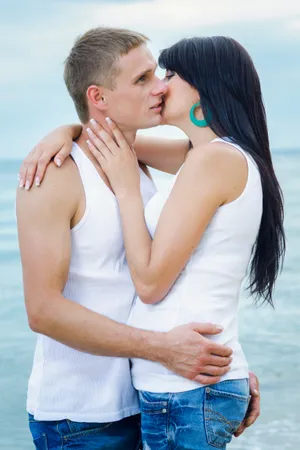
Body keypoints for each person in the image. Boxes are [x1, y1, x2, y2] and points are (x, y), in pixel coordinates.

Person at [17, 28, 262, 449]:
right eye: (143, 79)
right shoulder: (53, 175)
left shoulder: (139, 165)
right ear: (99, 97)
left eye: (161, 75)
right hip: (82, 417)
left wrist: (225, 370)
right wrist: (163, 350)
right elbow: (42, 310)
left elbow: (192, 263)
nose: (161, 87)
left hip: (150, 396)